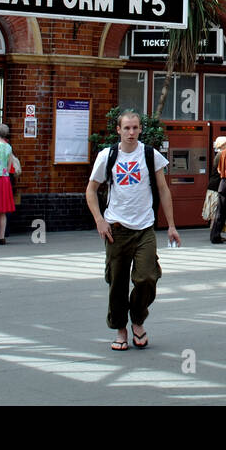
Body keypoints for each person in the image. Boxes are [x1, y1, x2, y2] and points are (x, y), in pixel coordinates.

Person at [86, 110, 181, 352]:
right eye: (126, 128)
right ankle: (120, 329)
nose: (131, 132)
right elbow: (91, 190)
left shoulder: (150, 155)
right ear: (118, 130)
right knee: (117, 283)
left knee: (147, 277)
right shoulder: (107, 156)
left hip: (144, 228)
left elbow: (163, 189)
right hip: (116, 229)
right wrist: (99, 220)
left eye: (135, 128)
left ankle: (137, 319)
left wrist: (170, 225)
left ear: (140, 129)